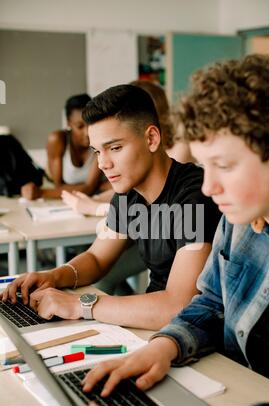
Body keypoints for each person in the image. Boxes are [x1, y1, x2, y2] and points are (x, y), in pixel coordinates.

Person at [48, 55, 269, 406]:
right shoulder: (239, 223)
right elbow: (211, 302)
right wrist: (165, 347)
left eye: (223, 165)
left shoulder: (211, 203)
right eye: (203, 165)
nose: (209, 186)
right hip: (236, 399)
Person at [1, 84, 220, 330]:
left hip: (193, 335)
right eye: (97, 151)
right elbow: (96, 258)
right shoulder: (128, 194)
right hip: (151, 327)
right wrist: (54, 276)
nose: (104, 163)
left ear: (151, 138)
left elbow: (178, 305)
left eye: (115, 148)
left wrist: (79, 305)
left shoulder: (193, 195)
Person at [62, 80, 192, 216]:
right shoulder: (132, 186)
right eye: (97, 151)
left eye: (116, 148)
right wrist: (96, 199)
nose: (102, 165)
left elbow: (161, 204)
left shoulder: (179, 161)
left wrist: (96, 208)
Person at [21, 93, 113, 201]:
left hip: (89, 196)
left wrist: (41, 192)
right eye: (80, 126)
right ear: (69, 124)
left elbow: (89, 188)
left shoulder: (99, 140)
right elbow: (58, 186)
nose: (87, 132)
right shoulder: (57, 140)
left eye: (90, 123)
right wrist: (97, 186)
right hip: (69, 197)